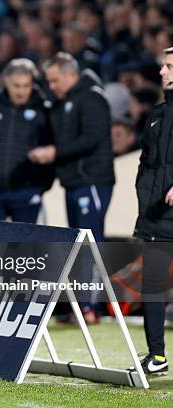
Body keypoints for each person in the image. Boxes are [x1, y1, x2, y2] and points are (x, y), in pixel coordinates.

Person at [29, 52, 115, 323]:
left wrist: (54, 152)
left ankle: (91, 307)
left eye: (55, 80)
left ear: (70, 74)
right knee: (78, 244)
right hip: (75, 182)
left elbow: (91, 138)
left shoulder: (92, 98)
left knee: (91, 242)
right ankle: (78, 305)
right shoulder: (65, 101)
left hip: (92, 181)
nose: (51, 86)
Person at [0, 58, 53, 223]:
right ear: (6, 82)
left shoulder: (44, 109)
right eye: (16, 85)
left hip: (26, 190)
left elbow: (50, 147)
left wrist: (42, 186)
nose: (21, 91)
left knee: (23, 246)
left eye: (26, 85)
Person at [132, 46, 173, 376]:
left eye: (169, 66)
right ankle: (157, 356)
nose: (162, 72)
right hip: (157, 218)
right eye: (163, 65)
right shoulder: (157, 115)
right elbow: (147, 165)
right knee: (153, 285)